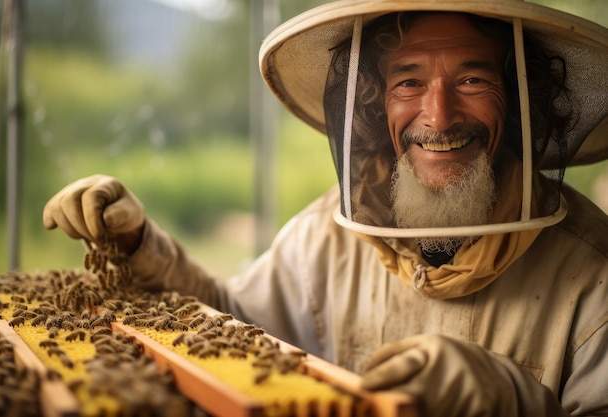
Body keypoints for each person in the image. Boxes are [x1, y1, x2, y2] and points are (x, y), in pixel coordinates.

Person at [43, 1, 608, 416]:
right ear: (370, 101)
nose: (438, 115)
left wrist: (508, 397)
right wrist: (142, 245)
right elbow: (229, 323)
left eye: (472, 78)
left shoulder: (595, 277)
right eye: (409, 81)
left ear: (523, 98)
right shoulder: (325, 233)